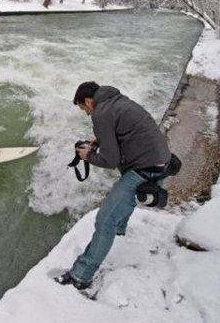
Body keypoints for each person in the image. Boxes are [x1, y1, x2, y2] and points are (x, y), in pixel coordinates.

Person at [55, 81, 172, 290]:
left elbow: (110, 160)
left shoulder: (101, 114)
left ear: (89, 101)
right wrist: (98, 142)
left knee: (103, 221)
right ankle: (120, 228)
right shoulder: (118, 101)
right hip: (163, 162)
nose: (86, 114)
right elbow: (124, 131)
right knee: (122, 204)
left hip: (144, 169)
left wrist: (88, 155)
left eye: (84, 108)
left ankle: (81, 275)